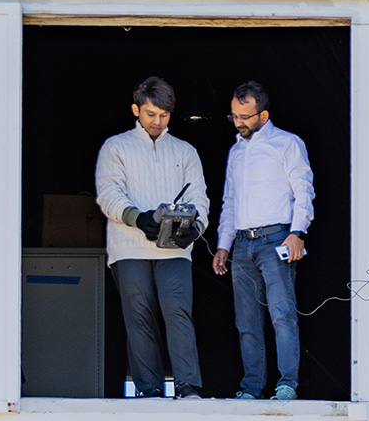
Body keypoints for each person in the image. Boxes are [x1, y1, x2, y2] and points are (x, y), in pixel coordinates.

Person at [94, 76, 209, 398]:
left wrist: (194, 228)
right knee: (139, 314)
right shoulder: (116, 147)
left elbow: (200, 198)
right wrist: (137, 217)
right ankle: (149, 389)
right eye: (150, 114)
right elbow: (108, 193)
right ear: (136, 110)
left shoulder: (185, 151)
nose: (157, 122)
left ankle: (188, 386)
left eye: (164, 115)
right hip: (128, 246)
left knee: (177, 310)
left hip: (174, 249)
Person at [212, 80, 315, 401]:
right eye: (234, 116)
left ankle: (286, 385)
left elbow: (304, 190)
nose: (238, 122)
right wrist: (223, 244)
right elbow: (229, 201)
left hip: (277, 239)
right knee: (246, 322)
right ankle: (252, 388)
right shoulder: (235, 152)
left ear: (264, 115)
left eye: (245, 116)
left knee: (282, 315)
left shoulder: (287, 144)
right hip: (242, 244)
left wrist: (297, 233)